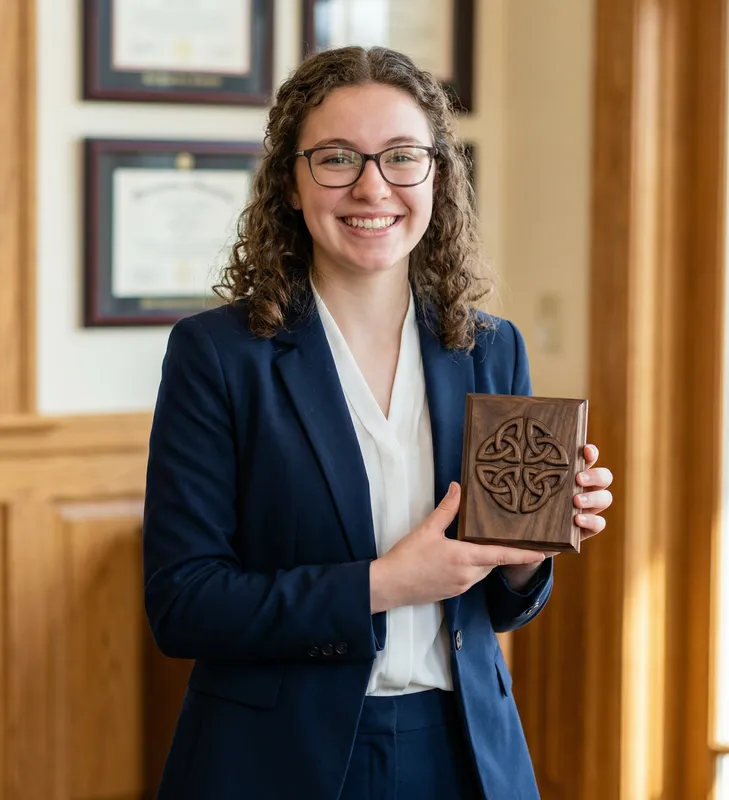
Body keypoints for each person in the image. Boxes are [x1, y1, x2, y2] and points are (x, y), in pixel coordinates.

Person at [142, 45, 613, 800]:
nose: (373, 187)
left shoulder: (493, 348)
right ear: (291, 184)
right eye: (336, 158)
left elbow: (499, 600)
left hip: (463, 754)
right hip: (276, 758)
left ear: (436, 175)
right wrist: (384, 584)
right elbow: (184, 604)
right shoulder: (216, 356)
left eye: (401, 157)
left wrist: (534, 543)